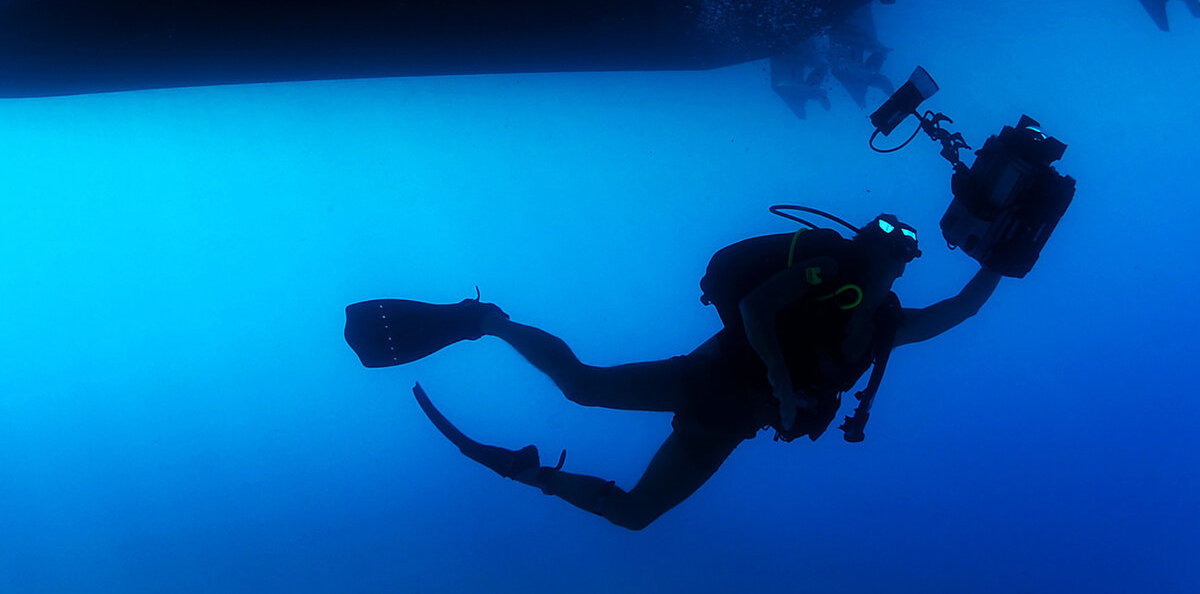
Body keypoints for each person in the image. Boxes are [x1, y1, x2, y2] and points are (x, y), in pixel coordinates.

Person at [345, 213, 1002, 530]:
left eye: (901, 253)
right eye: (886, 243)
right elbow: (753, 305)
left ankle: (531, 472)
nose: (893, 256)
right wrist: (776, 374)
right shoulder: (823, 272)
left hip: (725, 425)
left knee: (634, 516)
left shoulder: (888, 323)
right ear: (864, 245)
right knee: (582, 385)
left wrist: (1008, 251)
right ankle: (486, 321)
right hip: (710, 379)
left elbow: (965, 307)